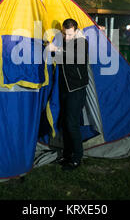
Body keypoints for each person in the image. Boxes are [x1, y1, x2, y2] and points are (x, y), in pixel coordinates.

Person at [47, 18, 89, 171]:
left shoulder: (82, 42)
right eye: (65, 34)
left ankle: (77, 158)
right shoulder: (64, 40)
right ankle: (67, 154)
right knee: (65, 123)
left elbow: (75, 57)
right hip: (65, 88)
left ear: (76, 31)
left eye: (70, 34)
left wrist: (57, 49)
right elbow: (59, 58)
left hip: (77, 89)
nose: (67, 37)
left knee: (72, 124)